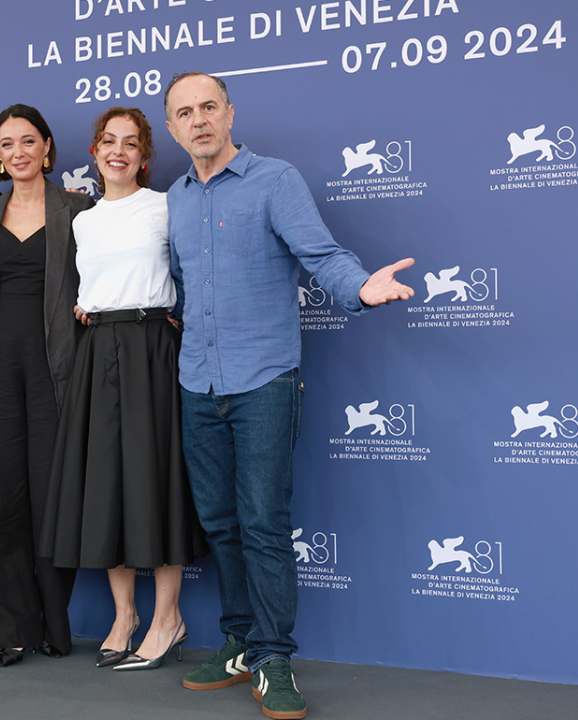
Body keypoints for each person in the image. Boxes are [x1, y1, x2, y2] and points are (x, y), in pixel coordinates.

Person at [163, 72, 415, 719]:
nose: (199, 120)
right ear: (173, 128)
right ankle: (241, 641)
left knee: (263, 523)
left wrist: (360, 290)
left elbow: (322, 256)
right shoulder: (176, 198)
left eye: (209, 107)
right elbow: (185, 290)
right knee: (220, 523)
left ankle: (274, 657)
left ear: (229, 113)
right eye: (184, 112)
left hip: (265, 382)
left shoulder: (276, 181)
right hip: (197, 384)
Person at [39, 107, 208, 671]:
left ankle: (167, 618)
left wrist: (170, 318)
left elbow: (194, 272)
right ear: (93, 153)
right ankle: (124, 615)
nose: (118, 151)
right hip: (97, 350)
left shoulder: (166, 206)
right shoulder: (82, 219)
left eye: (130, 143)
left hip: (151, 348)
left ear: (144, 155)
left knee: (155, 480)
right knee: (105, 483)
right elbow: (82, 285)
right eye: (108, 141)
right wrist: (87, 308)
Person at [0, 104, 94, 668]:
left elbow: (115, 274)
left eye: (27, 141)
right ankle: (8, 631)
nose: (17, 151)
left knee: (53, 500)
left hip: (55, 369)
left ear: (47, 148)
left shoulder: (80, 210)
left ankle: (52, 627)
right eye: (5, 143)